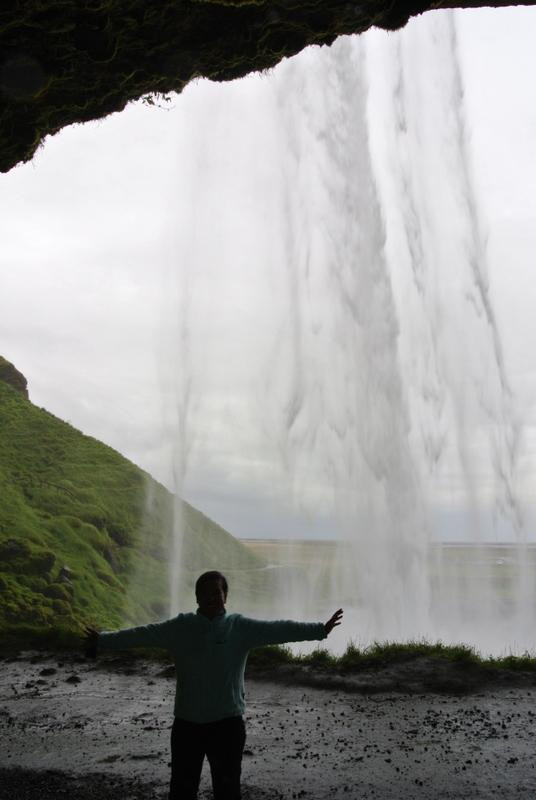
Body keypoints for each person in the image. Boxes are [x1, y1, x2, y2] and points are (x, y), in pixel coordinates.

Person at [84, 570, 343, 800]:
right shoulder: (180, 627)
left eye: (216, 592)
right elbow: (142, 634)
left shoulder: (239, 627)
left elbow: (278, 629)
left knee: (227, 791)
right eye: (205, 593)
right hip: (187, 726)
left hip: (227, 725)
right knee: (182, 791)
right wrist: (103, 640)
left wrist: (319, 629)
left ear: (225, 597)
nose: (211, 598)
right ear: (196, 598)